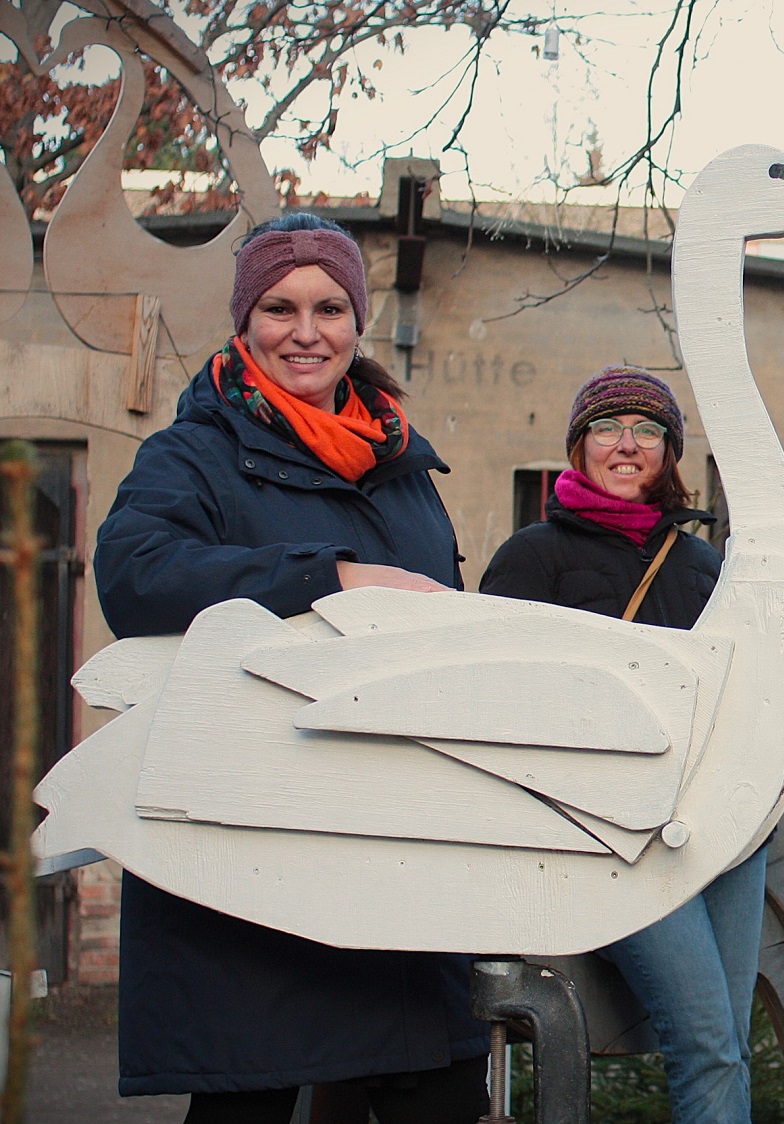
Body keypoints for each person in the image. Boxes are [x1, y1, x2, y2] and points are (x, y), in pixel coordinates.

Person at [93, 214, 489, 1122]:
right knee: (253, 1104)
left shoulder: (402, 471)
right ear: (244, 322)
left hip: (397, 867)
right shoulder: (190, 456)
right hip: (255, 875)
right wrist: (326, 577)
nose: (305, 331)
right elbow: (134, 573)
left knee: (440, 1095)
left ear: (358, 323)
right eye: (279, 307)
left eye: (330, 308)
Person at [480, 367, 763, 1123]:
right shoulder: (532, 555)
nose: (626, 445)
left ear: (669, 452)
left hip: (723, 827)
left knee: (730, 1041)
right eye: (607, 428)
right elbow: (495, 703)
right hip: (613, 838)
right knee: (706, 1040)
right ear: (579, 447)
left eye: (647, 431)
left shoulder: (710, 569)